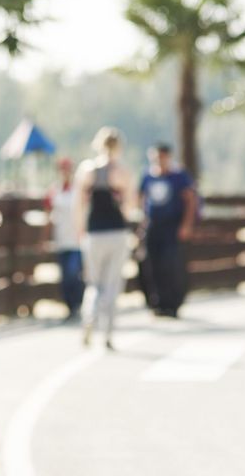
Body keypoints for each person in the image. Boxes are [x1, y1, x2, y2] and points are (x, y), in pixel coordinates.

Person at [75, 128, 133, 349]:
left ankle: (89, 318)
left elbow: (79, 206)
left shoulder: (87, 170)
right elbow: (128, 207)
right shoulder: (121, 171)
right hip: (117, 232)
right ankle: (108, 334)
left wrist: (80, 230)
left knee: (94, 283)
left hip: (94, 232)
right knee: (112, 284)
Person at [138, 143, 197, 318]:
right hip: (154, 225)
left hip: (173, 225)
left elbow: (190, 200)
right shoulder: (148, 176)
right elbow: (141, 199)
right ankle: (157, 302)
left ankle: (174, 302)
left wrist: (186, 224)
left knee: (172, 264)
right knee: (152, 264)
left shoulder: (179, 176)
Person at [45, 156, 84, 322]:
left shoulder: (79, 190)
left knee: (74, 272)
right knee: (65, 275)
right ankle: (70, 306)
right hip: (61, 239)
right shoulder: (54, 190)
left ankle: (77, 304)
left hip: (76, 240)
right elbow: (48, 216)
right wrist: (45, 237)